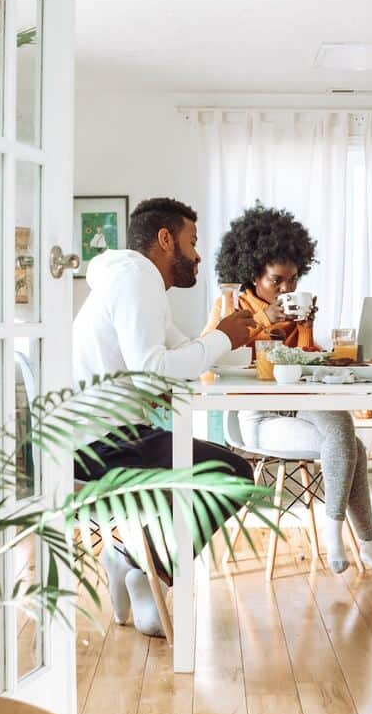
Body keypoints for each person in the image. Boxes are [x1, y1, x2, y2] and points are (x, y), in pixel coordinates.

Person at [72, 197, 257, 637]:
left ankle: (132, 561)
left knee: (221, 466)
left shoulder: (135, 282)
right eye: (192, 242)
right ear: (165, 238)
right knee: (233, 473)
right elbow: (154, 371)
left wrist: (225, 338)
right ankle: (141, 567)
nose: (196, 256)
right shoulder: (137, 280)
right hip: (95, 445)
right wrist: (221, 338)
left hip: (106, 433)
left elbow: (180, 354)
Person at [203, 205, 372, 575]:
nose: (286, 289)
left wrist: (306, 328)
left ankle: (340, 536)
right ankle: (360, 542)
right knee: (351, 445)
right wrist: (263, 319)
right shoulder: (230, 306)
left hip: (298, 404)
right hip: (257, 415)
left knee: (342, 426)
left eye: (293, 280)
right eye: (277, 280)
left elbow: (300, 362)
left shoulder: (294, 306)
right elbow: (209, 359)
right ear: (252, 273)